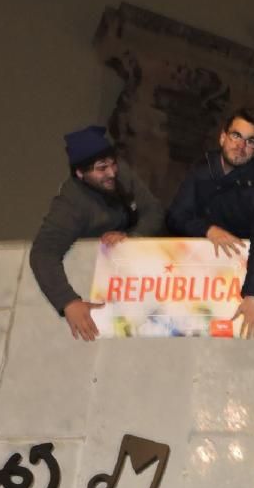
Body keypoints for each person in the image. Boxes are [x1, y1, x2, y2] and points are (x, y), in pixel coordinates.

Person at [30, 125, 165, 341]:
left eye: (113, 164)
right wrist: (68, 302)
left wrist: (133, 237)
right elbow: (43, 253)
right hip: (97, 279)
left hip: (137, 269)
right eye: (102, 168)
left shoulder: (120, 172)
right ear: (80, 173)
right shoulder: (70, 204)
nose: (112, 173)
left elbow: (153, 210)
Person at [166, 109, 254, 339]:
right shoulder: (200, 172)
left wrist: (253, 293)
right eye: (236, 136)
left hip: (232, 284)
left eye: (250, 141)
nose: (241, 145)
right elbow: (176, 216)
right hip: (192, 278)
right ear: (222, 137)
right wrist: (208, 230)